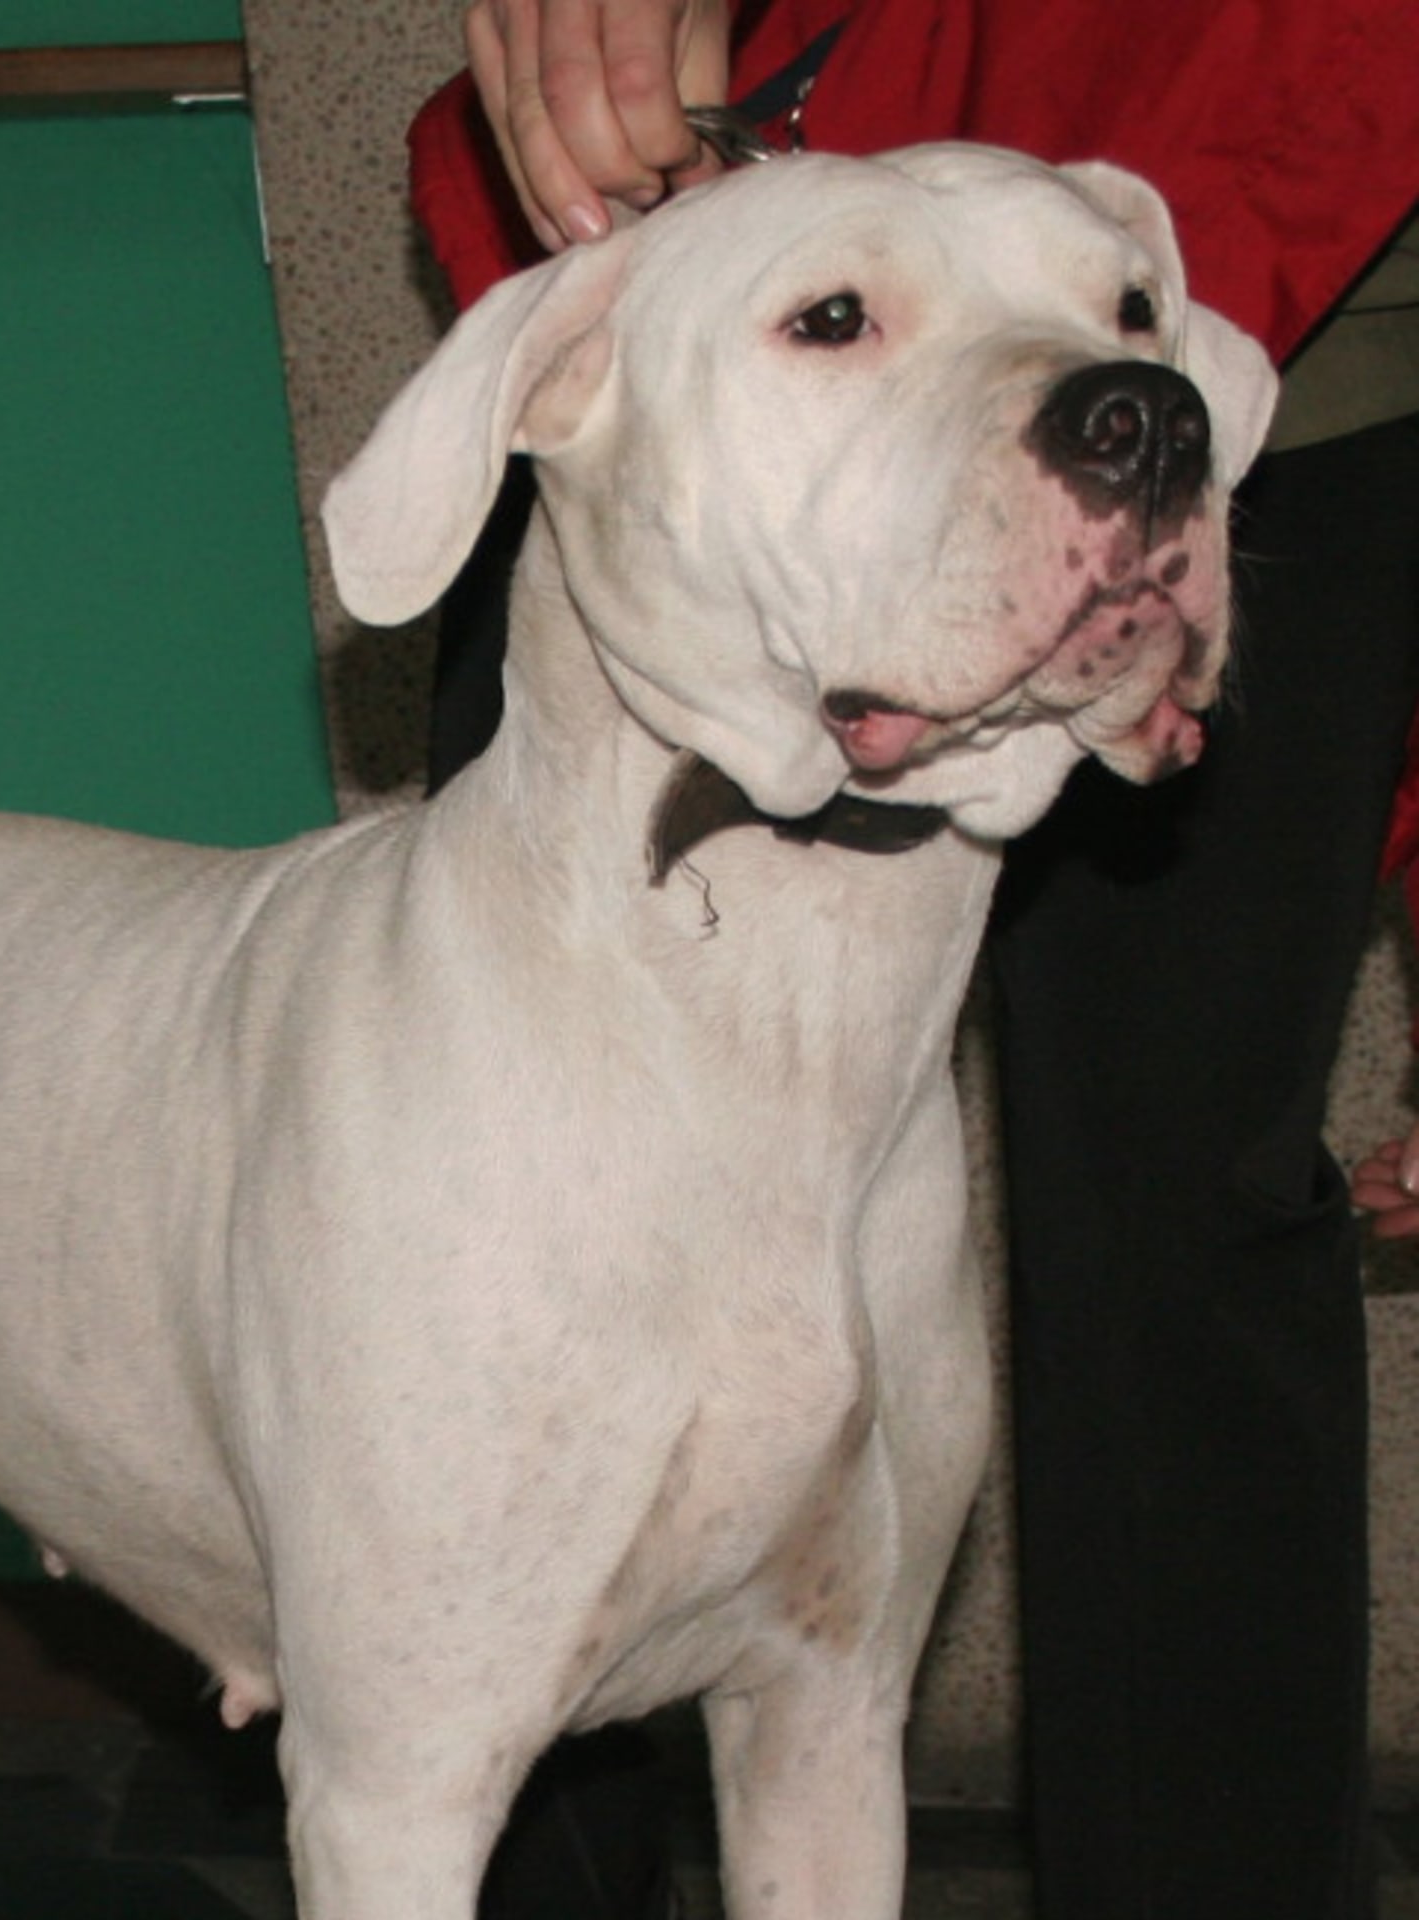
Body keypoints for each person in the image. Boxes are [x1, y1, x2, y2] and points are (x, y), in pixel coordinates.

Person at [413, 3, 1419, 1916]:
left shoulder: (1182, 360)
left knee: (1182, 1251)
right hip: (707, 251)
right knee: (493, 1276)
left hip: (1302, 200)